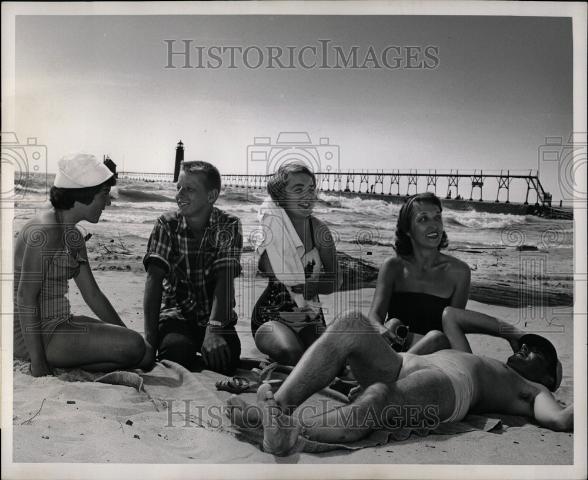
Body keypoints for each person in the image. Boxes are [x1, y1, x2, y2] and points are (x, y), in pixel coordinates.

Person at [226, 311, 572, 456]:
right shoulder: (475, 354)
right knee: (350, 323)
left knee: (378, 397)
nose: (526, 348)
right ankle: (276, 410)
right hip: (401, 363)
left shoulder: (533, 390)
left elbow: (559, 419)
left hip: (449, 388)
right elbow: (452, 315)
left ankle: (292, 430)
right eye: (526, 345)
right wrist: (513, 333)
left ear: (548, 377)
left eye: (537, 351)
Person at [13, 154, 154, 377]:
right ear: (84, 195)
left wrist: (123, 332)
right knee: (135, 347)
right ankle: (52, 359)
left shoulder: (73, 236)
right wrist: (38, 363)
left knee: (146, 355)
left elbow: (93, 295)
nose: (108, 202)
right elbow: (24, 297)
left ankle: (68, 361)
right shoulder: (45, 231)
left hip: (60, 322)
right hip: (34, 333)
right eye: (104, 195)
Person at [143, 161, 242, 374]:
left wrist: (214, 329)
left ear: (211, 196)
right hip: (177, 315)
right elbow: (154, 280)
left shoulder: (228, 225)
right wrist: (150, 342)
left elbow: (225, 280)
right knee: (176, 353)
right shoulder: (167, 224)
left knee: (227, 358)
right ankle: (182, 346)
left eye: (189, 189)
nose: (180, 194)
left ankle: (206, 344)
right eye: (179, 187)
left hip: (213, 314)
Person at [251, 163, 341, 365]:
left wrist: (313, 286)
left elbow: (337, 280)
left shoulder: (319, 231)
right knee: (292, 353)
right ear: (280, 196)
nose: (308, 196)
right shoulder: (270, 227)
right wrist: (273, 220)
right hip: (271, 316)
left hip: (311, 317)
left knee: (328, 362)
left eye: (311, 189)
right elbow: (266, 268)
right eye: (298, 189)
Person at [369, 192, 471, 354]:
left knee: (436, 337)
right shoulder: (393, 267)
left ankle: (398, 368)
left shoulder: (459, 272)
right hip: (395, 346)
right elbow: (375, 316)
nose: (434, 225)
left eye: (437, 217)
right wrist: (380, 328)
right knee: (393, 323)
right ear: (408, 229)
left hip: (435, 354)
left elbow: (454, 329)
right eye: (423, 219)